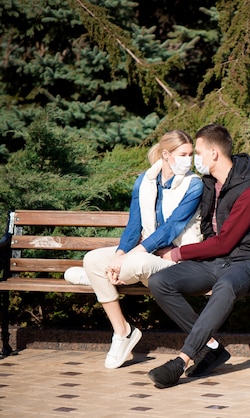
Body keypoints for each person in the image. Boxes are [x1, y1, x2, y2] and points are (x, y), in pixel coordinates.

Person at [145, 123, 250, 389]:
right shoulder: (209, 185)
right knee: (160, 282)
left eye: (200, 151)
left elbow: (225, 242)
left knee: (225, 285)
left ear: (214, 153)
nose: (195, 159)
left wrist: (178, 253)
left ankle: (183, 359)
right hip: (218, 262)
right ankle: (211, 347)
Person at [64, 130, 204, 369]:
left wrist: (133, 253)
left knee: (134, 263)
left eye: (190, 154)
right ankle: (123, 331)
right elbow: (134, 224)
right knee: (92, 259)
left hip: (174, 260)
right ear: (166, 154)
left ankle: (100, 280)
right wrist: (120, 253)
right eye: (183, 154)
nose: (188, 160)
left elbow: (171, 229)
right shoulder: (144, 180)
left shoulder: (194, 185)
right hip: (144, 251)